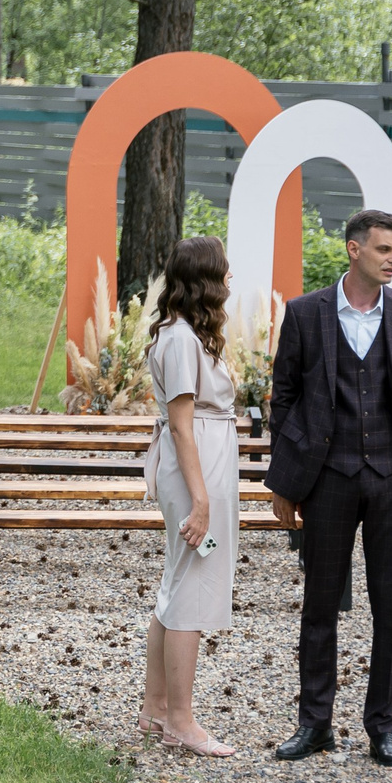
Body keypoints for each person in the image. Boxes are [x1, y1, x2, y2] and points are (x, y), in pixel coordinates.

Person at [266, 207, 392, 767]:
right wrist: (286, 481)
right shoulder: (305, 313)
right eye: (384, 249)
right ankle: (314, 724)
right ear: (354, 249)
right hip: (327, 480)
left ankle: (383, 728)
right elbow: (284, 400)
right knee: (320, 605)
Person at [138, 235, 243, 756]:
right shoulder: (180, 339)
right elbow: (181, 426)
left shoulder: (184, 334)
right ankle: (181, 719)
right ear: (205, 279)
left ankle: (156, 708)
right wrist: (201, 501)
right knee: (193, 589)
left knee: (178, 582)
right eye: (223, 270)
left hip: (203, 461)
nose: (230, 278)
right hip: (196, 467)